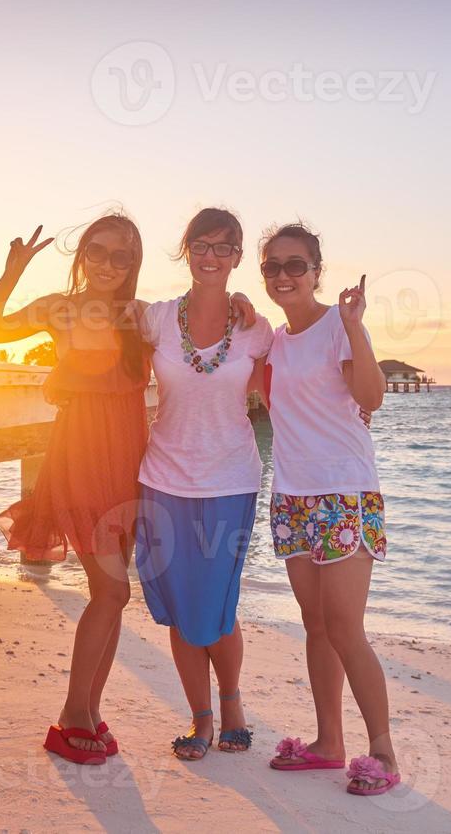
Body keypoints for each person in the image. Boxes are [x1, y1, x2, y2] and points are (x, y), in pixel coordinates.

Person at [0, 214, 149, 766]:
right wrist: (12, 272)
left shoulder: (140, 315)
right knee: (113, 592)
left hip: (130, 461)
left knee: (111, 597)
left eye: (122, 257)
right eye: (98, 251)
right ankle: (74, 711)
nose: (107, 264)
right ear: (81, 253)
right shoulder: (59, 308)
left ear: (134, 264)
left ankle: (91, 711)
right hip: (79, 458)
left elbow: (206, 340)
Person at [256, 222, 401, 796]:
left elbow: (371, 398)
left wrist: (355, 326)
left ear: (318, 271)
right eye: (273, 267)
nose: (284, 276)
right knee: (314, 623)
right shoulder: (275, 340)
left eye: (296, 265)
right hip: (291, 495)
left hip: (345, 493)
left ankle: (383, 752)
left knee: (345, 626)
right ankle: (328, 743)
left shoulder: (338, 329)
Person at [130, 207, 273, 761]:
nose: (211, 257)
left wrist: (357, 410)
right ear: (186, 251)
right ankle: (201, 718)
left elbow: (300, 379)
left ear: (239, 258)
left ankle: (232, 703)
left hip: (230, 480)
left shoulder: (255, 329)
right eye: (201, 246)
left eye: (223, 248)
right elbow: (107, 354)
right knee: (181, 604)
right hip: (162, 477)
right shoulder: (157, 320)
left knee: (215, 603)